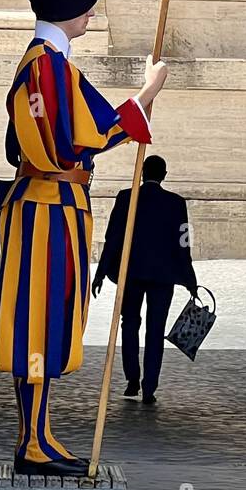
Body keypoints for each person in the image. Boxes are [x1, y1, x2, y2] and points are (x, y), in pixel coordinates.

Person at [0, 0, 167, 476]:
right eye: (86, 6)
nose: (91, 14)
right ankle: (33, 443)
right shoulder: (47, 66)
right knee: (39, 323)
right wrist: (147, 92)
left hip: (52, 206)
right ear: (68, 9)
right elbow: (81, 141)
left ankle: (38, 436)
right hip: (46, 209)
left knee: (48, 321)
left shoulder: (51, 64)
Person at [92, 155, 199, 405]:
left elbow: (113, 238)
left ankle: (132, 378)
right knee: (155, 330)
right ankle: (149, 386)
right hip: (163, 277)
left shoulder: (126, 198)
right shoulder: (176, 203)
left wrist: (101, 273)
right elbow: (183, 244)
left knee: (129, 324)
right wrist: (190, 279)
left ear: (142, 172)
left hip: (131, 274)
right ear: (164, 175)